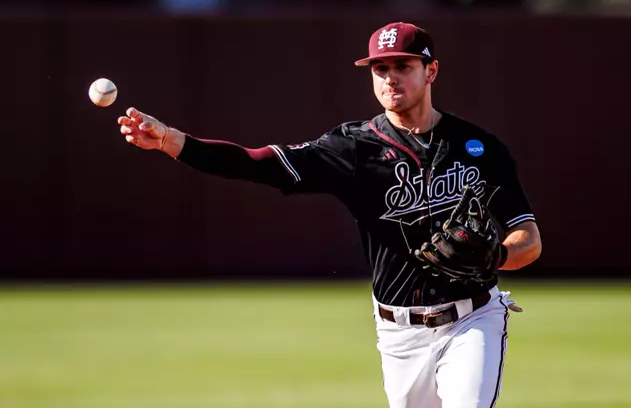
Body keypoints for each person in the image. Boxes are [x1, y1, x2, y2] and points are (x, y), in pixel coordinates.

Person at [118, 21, 542, 408]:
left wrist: (497, 257)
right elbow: (256, 162)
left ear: (430, 71)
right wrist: (172, 141)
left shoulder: (479, 148)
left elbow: (529, 238)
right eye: (380, 69)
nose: (390, 77)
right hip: (399, 335)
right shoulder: (353, 147)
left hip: (473, 319)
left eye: (402, 65)